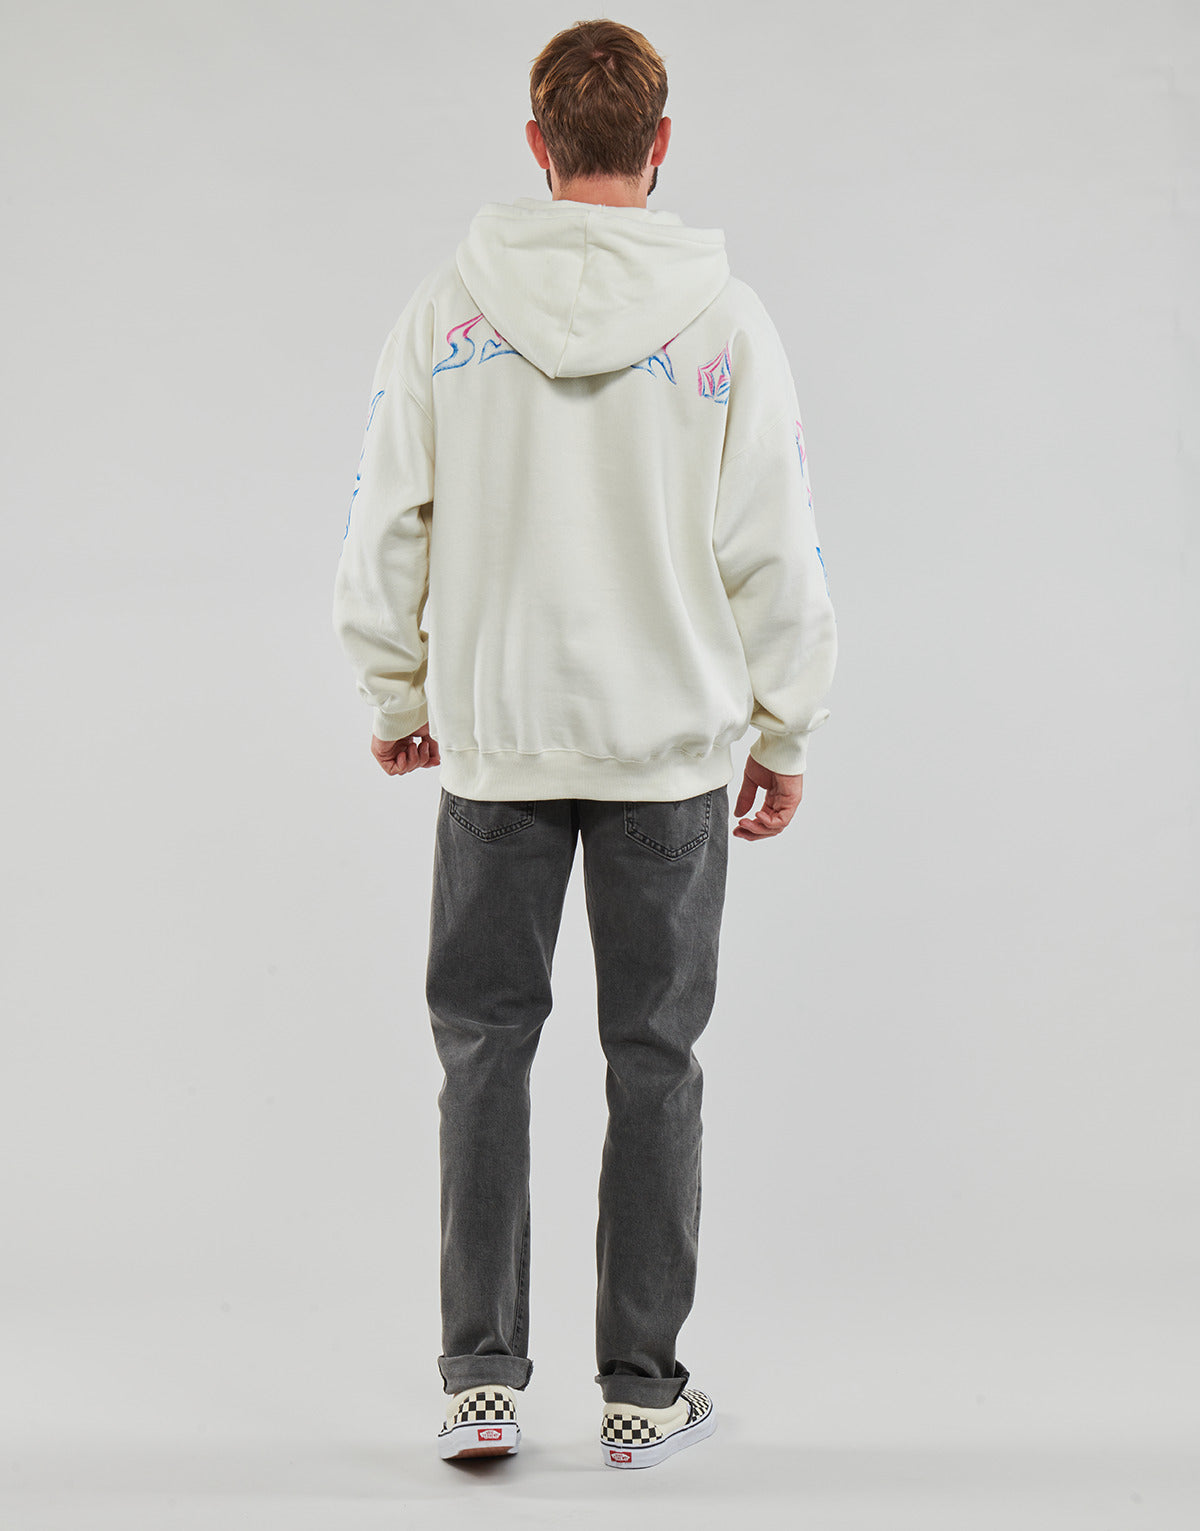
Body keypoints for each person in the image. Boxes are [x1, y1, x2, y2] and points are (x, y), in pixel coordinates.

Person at [331, 17, 838, 1471]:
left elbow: (385, 522)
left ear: (538, 145)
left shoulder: (447, 311)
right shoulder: (725, 321)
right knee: (655, 1060)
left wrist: (395, 693)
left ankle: (479, 1383)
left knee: (484, 1053)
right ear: (660, 145)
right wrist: (788, 726)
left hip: (497, 742)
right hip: (668, 752)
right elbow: (775, 547)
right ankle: (640, 1392)